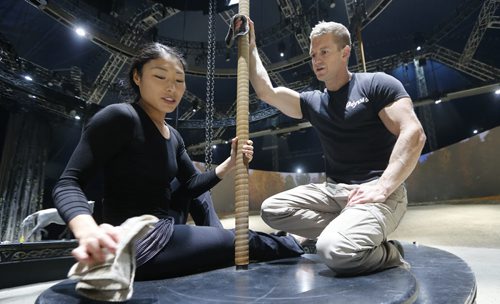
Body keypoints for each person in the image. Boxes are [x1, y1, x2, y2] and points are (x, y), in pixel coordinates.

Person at [52, 42, 303, 280]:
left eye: (179, 81)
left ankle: (225, 237)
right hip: (140, 241)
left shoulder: (173, 136)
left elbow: (192, 185)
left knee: (219, 221)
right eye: (160, 77)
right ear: (137, 78)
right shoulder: (120, 117)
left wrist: (231, 162)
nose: (171, 88)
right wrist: (88, 231)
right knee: (244, 240)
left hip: (166, 226)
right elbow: (68, 183)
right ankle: (292, 242)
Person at [247, 19, 426, 276]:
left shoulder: (376, 85)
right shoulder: (314, 102)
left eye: (324, 52)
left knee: (333, 251)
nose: (316, 60)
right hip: (334, 193)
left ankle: (391, 252)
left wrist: (383, 187)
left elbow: (414, 133)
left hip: (379, 193)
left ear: (345, 52)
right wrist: (251, 45)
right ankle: (344, 228)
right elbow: (267, 92)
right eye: (312, 55)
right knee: (272, 210)